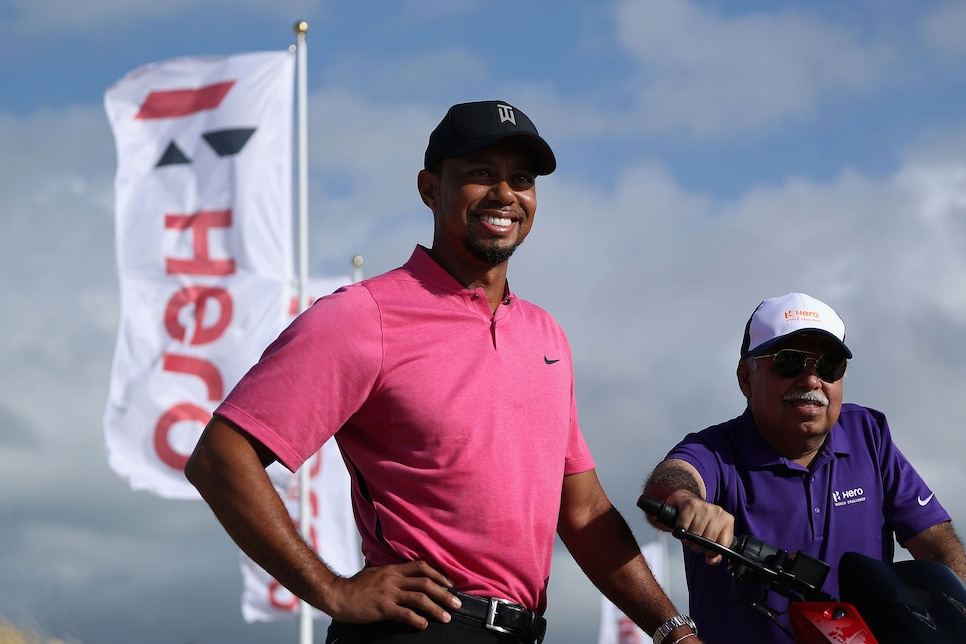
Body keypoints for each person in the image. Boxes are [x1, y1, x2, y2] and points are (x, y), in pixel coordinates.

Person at [186, 100, 701, 644]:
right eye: (480, 173)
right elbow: (221, 458)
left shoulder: (545, 335)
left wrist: (673, 630)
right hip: (418, 627)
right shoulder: (364, 315)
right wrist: (332, 590)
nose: (505, 194)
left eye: (520, 179)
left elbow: (584, 511)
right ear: (429, 188)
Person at [642, 292, 966, 643]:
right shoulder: (716, 450)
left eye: (828, 366)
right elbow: (671, 478)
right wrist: (686, 502)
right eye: (789, 362)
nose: (812, 381)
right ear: (745, 378)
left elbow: (936, 541)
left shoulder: (867, 435)